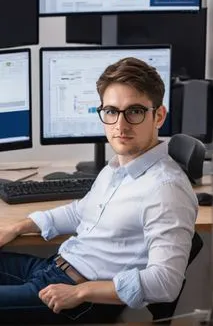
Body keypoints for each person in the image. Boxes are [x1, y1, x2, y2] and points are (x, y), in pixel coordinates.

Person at [0, 57, 198, 324]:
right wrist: (18, 226)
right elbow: (80, 212)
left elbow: (166, 281)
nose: (121, 124)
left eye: (135, 111)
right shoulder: (118, 167)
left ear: (158, 116)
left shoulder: (166, 189)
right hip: (52, 269)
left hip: (77, 298)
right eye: (111, 111)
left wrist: (82, 292)